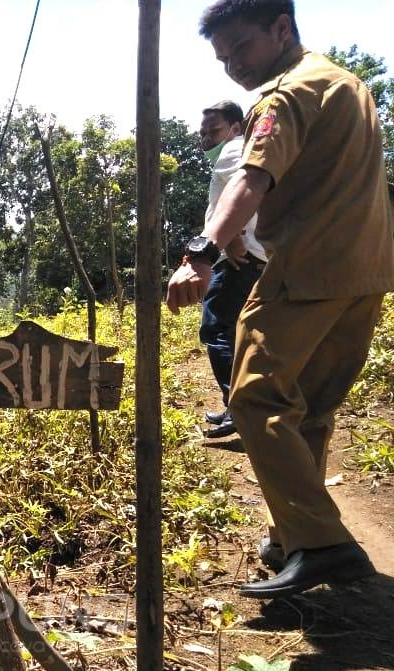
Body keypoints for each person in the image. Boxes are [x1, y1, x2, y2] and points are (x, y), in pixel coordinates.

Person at [167, 0, 394, 599]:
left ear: (280, 28)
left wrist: (201, 255)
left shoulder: (284, 95)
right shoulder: (346, 84)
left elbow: (252, 176)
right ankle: (293, 536)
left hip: (307, 269)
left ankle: (322, 545)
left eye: (241, 48)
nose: (232, 66)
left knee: (252, 397)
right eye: (222, 58)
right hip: (366, 271)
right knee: (308, 408)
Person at [195, 100, 267, 439]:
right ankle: (237, 407)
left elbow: (248, 189)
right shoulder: (240, 149)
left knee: (217, 331)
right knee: (240, 333)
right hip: (253, 257)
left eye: (215, 131)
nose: (207, 139)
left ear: (236, 128)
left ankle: (241, 409)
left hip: (237, 259)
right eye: (203, 133)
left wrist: (233, 236)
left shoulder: (235, 150)